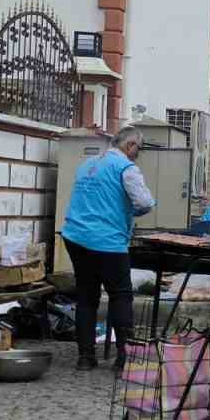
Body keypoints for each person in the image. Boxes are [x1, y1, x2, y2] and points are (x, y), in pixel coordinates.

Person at [62, 126, 156, 371]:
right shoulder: (126, 168)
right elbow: (144, 202)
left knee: (86, 297)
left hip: (75, 236)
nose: (139, 154)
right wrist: (133, 211)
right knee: (120, 295)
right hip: (107, 241)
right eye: (140, 148)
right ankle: (125, 358)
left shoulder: (88, 164)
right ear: (130, 146)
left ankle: (85, 358)